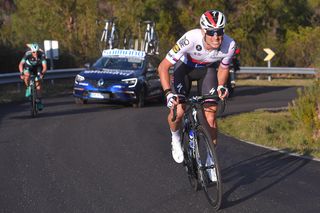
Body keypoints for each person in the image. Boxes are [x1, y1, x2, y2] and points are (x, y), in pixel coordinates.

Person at [158, 10, 236, 180]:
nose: (217, 37)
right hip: (183, 70)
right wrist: (168, 94)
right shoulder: (189, 38)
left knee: (211, 115)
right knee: (178, 111)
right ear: (203, 31)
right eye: (211, 33)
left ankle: (210, 160)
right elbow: (163, 67)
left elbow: (223, 68)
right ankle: (175, 137)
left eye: (220, 32)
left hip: (206, 71)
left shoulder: (229, 45)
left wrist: (222, 86)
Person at [19, 43, 47, 110]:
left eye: (37, 51)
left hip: (38, 68)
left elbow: (45, 67)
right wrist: (22, 73)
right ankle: (28, 87)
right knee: (26, 75)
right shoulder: (27, 54)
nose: (35, 53)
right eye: (34, 52)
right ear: (31, 51)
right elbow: (21, 64)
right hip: (28, 67)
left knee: (38, 84)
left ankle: (39, 101)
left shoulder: (41, 54)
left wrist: (42, 73)